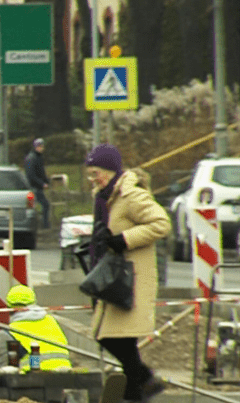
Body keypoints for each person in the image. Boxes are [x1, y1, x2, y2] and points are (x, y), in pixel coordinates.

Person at [85, 144, 169, 403]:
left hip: (129, 279)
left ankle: (141, 383)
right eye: (90, 174)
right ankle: (139, 387)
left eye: (96, 172)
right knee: (113, 338)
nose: (93, 179)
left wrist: (125, 239)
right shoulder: (105, 197)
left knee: (115, 338)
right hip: (113, 277)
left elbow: (161, 223)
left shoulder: (130, 196)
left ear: (110, 170)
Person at [0, 285, 72, 373]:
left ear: (9, 308)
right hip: (63, 375)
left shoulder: (9, 332)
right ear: (34, 302)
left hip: (31, 379)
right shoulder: (51, 320)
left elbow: (4, 371)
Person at [25, 138, 50, 229]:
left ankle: (42, 223)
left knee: (41, 205)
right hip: (34, 186)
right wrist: (42, 183)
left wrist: (46, 181)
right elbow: (31, 174)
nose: (41, 148)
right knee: (44, 205)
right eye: (40, 146)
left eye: (42, 146)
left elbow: (41, 172)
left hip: (37, 186)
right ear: (35, 147)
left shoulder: (38, 157)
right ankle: (44, 224)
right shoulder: (32, 158)